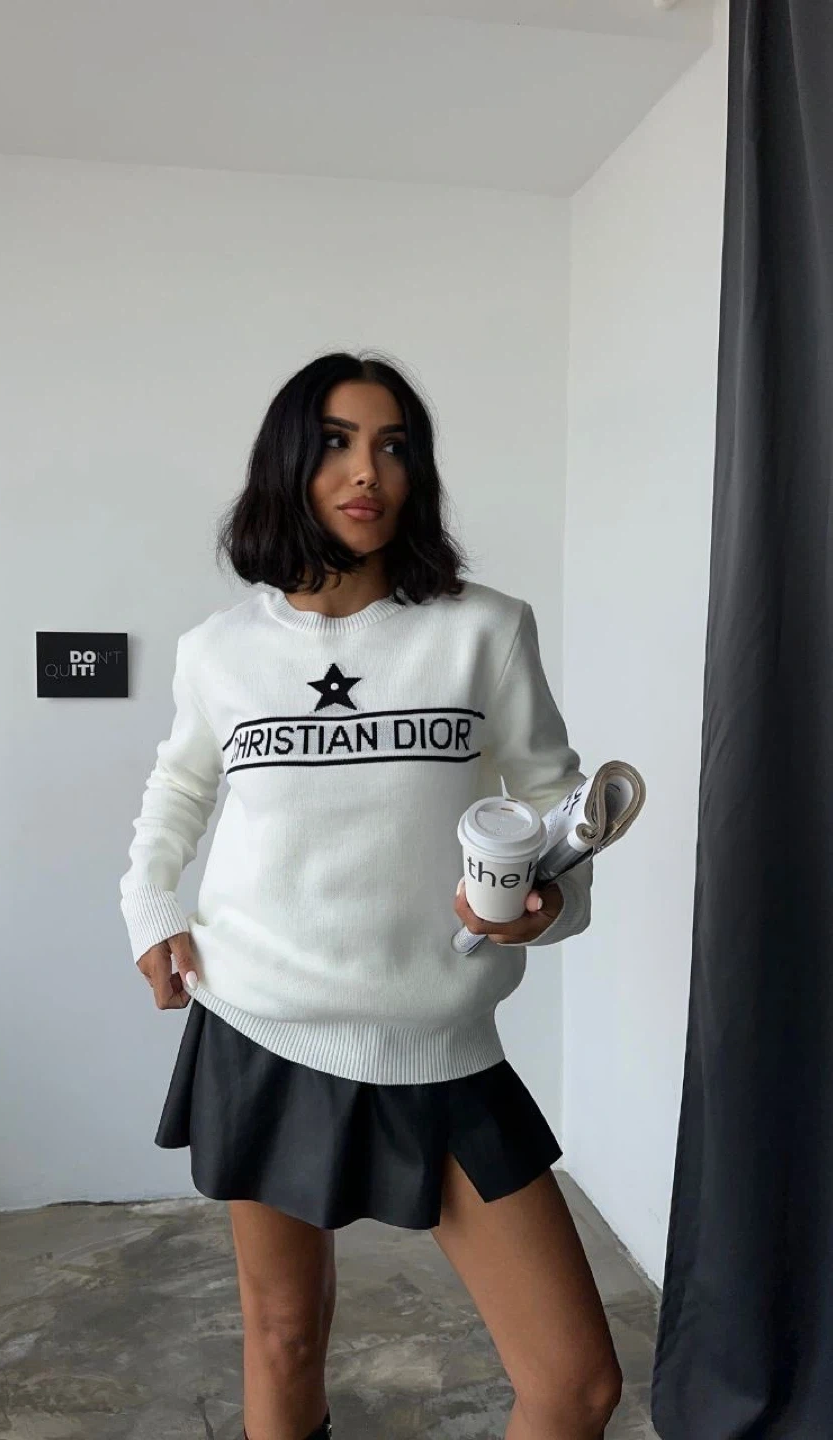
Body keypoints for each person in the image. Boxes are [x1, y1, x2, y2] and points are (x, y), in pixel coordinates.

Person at [119, 352, 623, 1440]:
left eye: (393, 446)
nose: (368, 472)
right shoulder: (220, 650)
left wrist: (548, 901)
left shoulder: (485, 629)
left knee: (576, 1384)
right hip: (261, 1024)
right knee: (284, 1336)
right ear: (288, 465)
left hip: (439, 1041)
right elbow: (178, 790)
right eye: (338, 443)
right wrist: (151, 909)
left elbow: (555, 802)